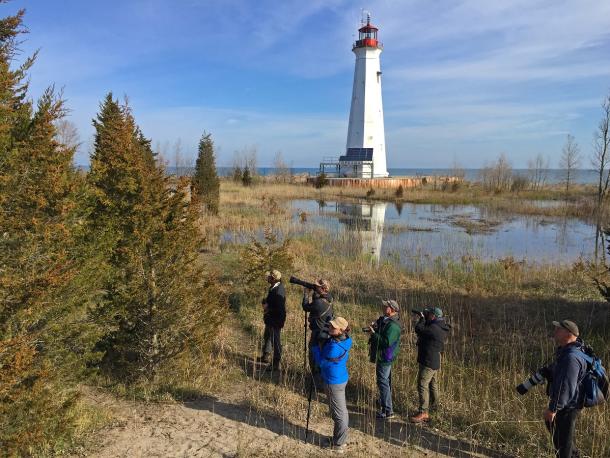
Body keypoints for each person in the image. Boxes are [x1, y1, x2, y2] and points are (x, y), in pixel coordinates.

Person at [544, 320, 587, 458]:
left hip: (568, 407)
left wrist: (553, 408)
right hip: (566, 405)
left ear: (569, 333)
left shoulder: (571, 357)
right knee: (562, 441)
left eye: (559, 329)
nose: (555, 331)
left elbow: (566, 386)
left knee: (564, 448)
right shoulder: (567, 352)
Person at [311, 316, 352, 454]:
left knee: (339, 414)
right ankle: (338, 439)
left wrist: (315, 347)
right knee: (341, 411)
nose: (329, 328)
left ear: (341, 330)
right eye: (330, 326)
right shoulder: (346, 339)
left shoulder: (334, 347)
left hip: (333, 380)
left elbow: (321, 362)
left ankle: (339, 444)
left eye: (333, 327)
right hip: (340, 377)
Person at [410, 306, 450, 423]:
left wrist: (422, 319)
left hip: (428, 360)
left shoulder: (434, 328)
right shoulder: (440, 326)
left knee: (422, 384)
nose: (427, 315)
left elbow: (419, 329)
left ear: (433, 316)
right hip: (434, 359)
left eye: (429, 314)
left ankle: (423, 412)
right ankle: (435, 407)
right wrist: (425, 319)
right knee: (433, 384)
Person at [368, 299, 401, 419]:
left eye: (386, 306)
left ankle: (388, 411)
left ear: (392, 310)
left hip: (385, 357)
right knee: (384, 381)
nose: (383, 307)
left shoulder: (394, 326)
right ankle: (385, 406)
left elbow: (386, 342)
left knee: (383, 382)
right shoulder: (386, 320)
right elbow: (382, 332)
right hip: (384, 356)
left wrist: (374, 334)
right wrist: (375, 327)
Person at [302, 279, 334, 383]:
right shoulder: (329, 299)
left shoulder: (319, 302)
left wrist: (306, 294)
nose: (316, 288)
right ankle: (319, 379)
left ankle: (316, 382)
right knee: (321, 357)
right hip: (325, 333)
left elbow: (306, 307)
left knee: (314, 356)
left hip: (317, 334)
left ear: (324, 288)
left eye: (318, 287)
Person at [259, 270, 286, 372]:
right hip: (271, 318)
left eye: (269, 277)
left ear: (273, 279)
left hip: (275, 319)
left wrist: (267, 307)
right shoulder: (275, 287)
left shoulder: (279, 290)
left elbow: (279, 308)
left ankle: (275, 364)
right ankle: (265, 356)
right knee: (268, 336)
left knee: (276, 341)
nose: (267, 278)